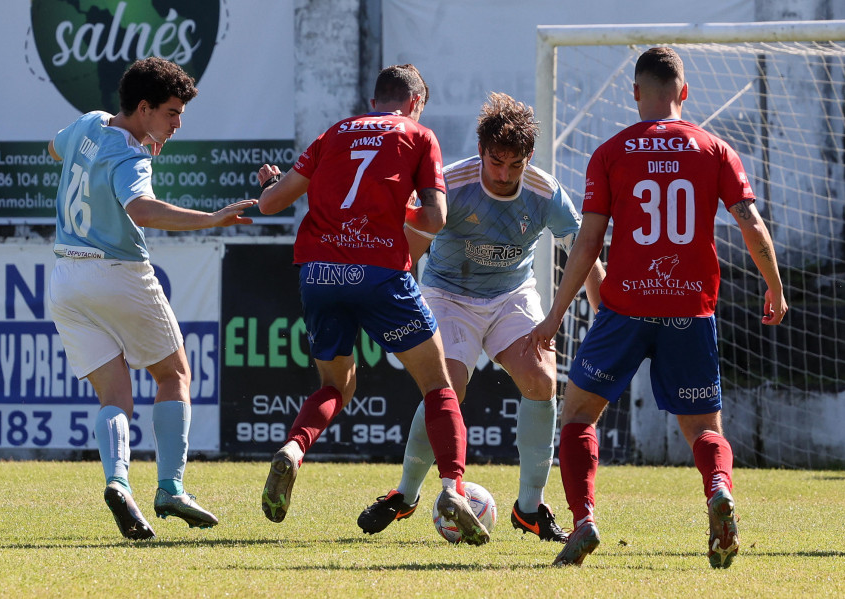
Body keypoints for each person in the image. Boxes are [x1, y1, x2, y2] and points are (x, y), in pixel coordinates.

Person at [528, 47, 788, 568]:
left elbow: (586, 245)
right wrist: (776, 287)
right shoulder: (714, 149)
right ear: (684, 93)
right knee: (705, 431)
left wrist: (554, 315)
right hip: (689, 313)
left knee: (579, 415)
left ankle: (584, 522)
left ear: (636, 93)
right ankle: (718, 489)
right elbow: (752, 225)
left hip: (624, 310)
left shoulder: (610, 152)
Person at [256, 64, 489, 545]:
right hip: (380, 273)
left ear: (374, 98)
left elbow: (271, 204)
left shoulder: (333, 135)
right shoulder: (419, 135)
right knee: (437, 386)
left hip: (319, 274)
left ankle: (293, 452)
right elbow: (436, 215)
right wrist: (392, 208)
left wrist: (269, 183)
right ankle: (453, 488)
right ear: (415, 102)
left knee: (336, 384)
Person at [356, 92, 604, 543]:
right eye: (495, 162)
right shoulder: (450, 184)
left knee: (541, 379)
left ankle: (530, 506)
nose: (504, 174)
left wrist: (605, 312)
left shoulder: (544, 191)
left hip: (512, 296)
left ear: (529, 158)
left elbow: (582, 250)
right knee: (447, 387)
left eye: (515, 164)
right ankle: (406, 494)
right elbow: (405, 247)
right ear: (481, 150)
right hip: (449, 296)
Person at [47, 57, 256, 540]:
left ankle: (119, 481)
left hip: (65, 278)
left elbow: (55, 150)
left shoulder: (89, 124)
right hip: (116, 272)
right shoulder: (129, 154)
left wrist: (111, 151)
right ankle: (170, 487)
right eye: (171, 112)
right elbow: (140, 208)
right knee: (174, 373)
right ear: (143, 108)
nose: (177, 123)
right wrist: (212, 218)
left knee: (116, 396)